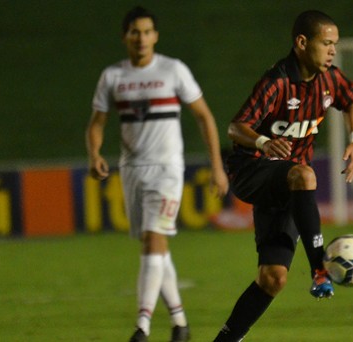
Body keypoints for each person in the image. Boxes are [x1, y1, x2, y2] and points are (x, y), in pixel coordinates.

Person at [213, 10, 353, 341]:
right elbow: (236, 127)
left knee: (273, 278)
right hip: (252, 170)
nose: (332, 51)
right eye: (326, 43)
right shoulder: (277, 82)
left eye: (335, 44)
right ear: (302, 43)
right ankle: (320, 269)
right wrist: (264, 142)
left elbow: (351, 98)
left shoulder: (330, 79)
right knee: (305, 176)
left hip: (288, 184)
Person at [85, 6, 229, 342]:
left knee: (153, 239)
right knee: (155, 246)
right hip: (132, 170)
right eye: (135, 32)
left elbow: (204, 116)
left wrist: (217, 167)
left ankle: (142, 326)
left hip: (167, 170)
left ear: (156, 36)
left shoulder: (173, 70)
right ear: (125, 37)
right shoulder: (113, 76)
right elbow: (97, 123)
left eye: (147, 32)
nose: (142, 38)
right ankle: (180, 323)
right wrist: (94, 154)